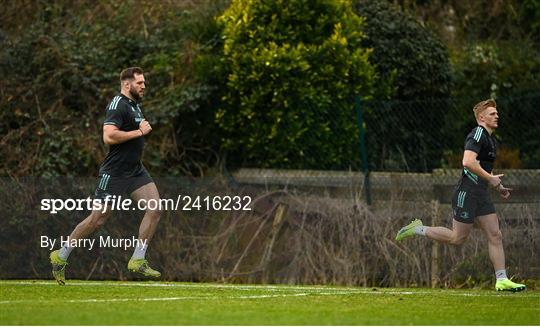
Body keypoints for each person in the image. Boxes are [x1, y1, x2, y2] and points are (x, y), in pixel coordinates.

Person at [395, 99, 526, 292]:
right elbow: (467, 162)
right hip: (467, 192)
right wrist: (491, 179)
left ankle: (501, 280)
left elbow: (482, 169)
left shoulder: (491, 139)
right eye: (492, 113)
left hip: (481, 194)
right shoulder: (478, 133)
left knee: (495, 235)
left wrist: (498, 186)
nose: (496, 116)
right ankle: (418, 229)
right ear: (481, 117)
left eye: (497, 113)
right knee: (457, 238)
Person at [50, 67, 162, 284]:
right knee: (97, 220)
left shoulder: (134, 105)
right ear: (127, 84)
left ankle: (138, 259)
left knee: (155, 208)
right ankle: (61, 255)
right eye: (140, 83)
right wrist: (140, 132)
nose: (144, 86)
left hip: (135, 171)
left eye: (144, 82)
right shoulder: (117, 104)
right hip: (115, 173)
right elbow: (109, 137)